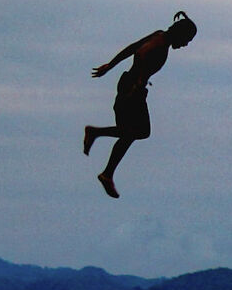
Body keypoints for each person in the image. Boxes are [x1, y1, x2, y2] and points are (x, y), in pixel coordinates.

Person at [83, 12, 196, 196]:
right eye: (186, 40)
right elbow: (142, 57)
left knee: (129, 133)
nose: (185, 45)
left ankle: (107, 173)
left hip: (130, 85)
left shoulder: (159, 36)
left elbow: (132, 48)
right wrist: (137, 86)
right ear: (180, 34)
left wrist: (110, 65)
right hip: (132, 89)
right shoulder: (159, 46)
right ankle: (96, 134)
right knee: (140, 131)